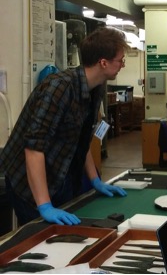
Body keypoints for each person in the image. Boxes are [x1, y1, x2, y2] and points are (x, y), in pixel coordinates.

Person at [0, 27, 129, 226]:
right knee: (42, 241)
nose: (122, 65)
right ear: (103, 63)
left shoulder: (95, 88)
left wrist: (94, 180)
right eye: (120, 60)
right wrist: (44, 206)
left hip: (60, 175)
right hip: (27, 182)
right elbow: (34, 148)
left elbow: (80, 139)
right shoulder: (59, 88)